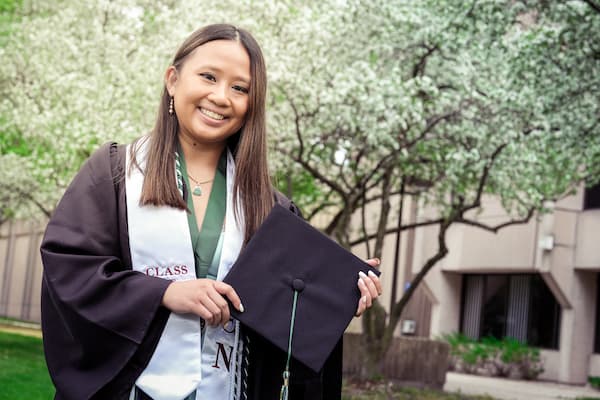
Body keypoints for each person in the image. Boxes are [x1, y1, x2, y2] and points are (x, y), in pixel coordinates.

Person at [40, 24, 382, 400]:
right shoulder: (115, 174)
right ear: (172, 80)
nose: (221, 97)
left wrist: (334, 298)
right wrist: (164, 293)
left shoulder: (268, 207)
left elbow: (280, 329)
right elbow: (71, 271)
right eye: (208, 77)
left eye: (240, 88)